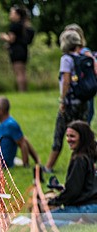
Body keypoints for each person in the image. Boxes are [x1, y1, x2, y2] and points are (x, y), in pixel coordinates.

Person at [45, 30, 91, 173]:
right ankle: (85, 164)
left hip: (70, 103)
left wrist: (62, 100)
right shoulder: (85, 57)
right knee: (82, 134)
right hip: (84, 102)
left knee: (60, 133)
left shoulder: (66, 59)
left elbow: (66, 80)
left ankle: (48, 167)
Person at [46, 120, 97, 224]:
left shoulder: (80, 159)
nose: (69, 139)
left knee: (41, 220)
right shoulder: (89, 156)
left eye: (72, 136)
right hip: (92, 207)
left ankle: (75, 225)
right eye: (67, 136)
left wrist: (52, 202)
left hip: (85, 209)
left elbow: (72, 192)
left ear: (82, 138)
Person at [0, 96, 39, 168]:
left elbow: (23, 143)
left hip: (3, 163)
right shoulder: (4, 123)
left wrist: (25, 164)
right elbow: (24, 139)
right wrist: (37, 160)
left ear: (1, 111)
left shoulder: (10, 124)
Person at [0, 5, 32, 92]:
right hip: (23, 50)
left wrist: (4, 37)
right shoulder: (24, 25)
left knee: (18, 72)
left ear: (17, 15)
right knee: (23, 72)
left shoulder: (14, 26)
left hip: (16, 52)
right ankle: (25, 90)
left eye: (12, 13)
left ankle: (21, 91)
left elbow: (11, 39)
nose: (10, 15)